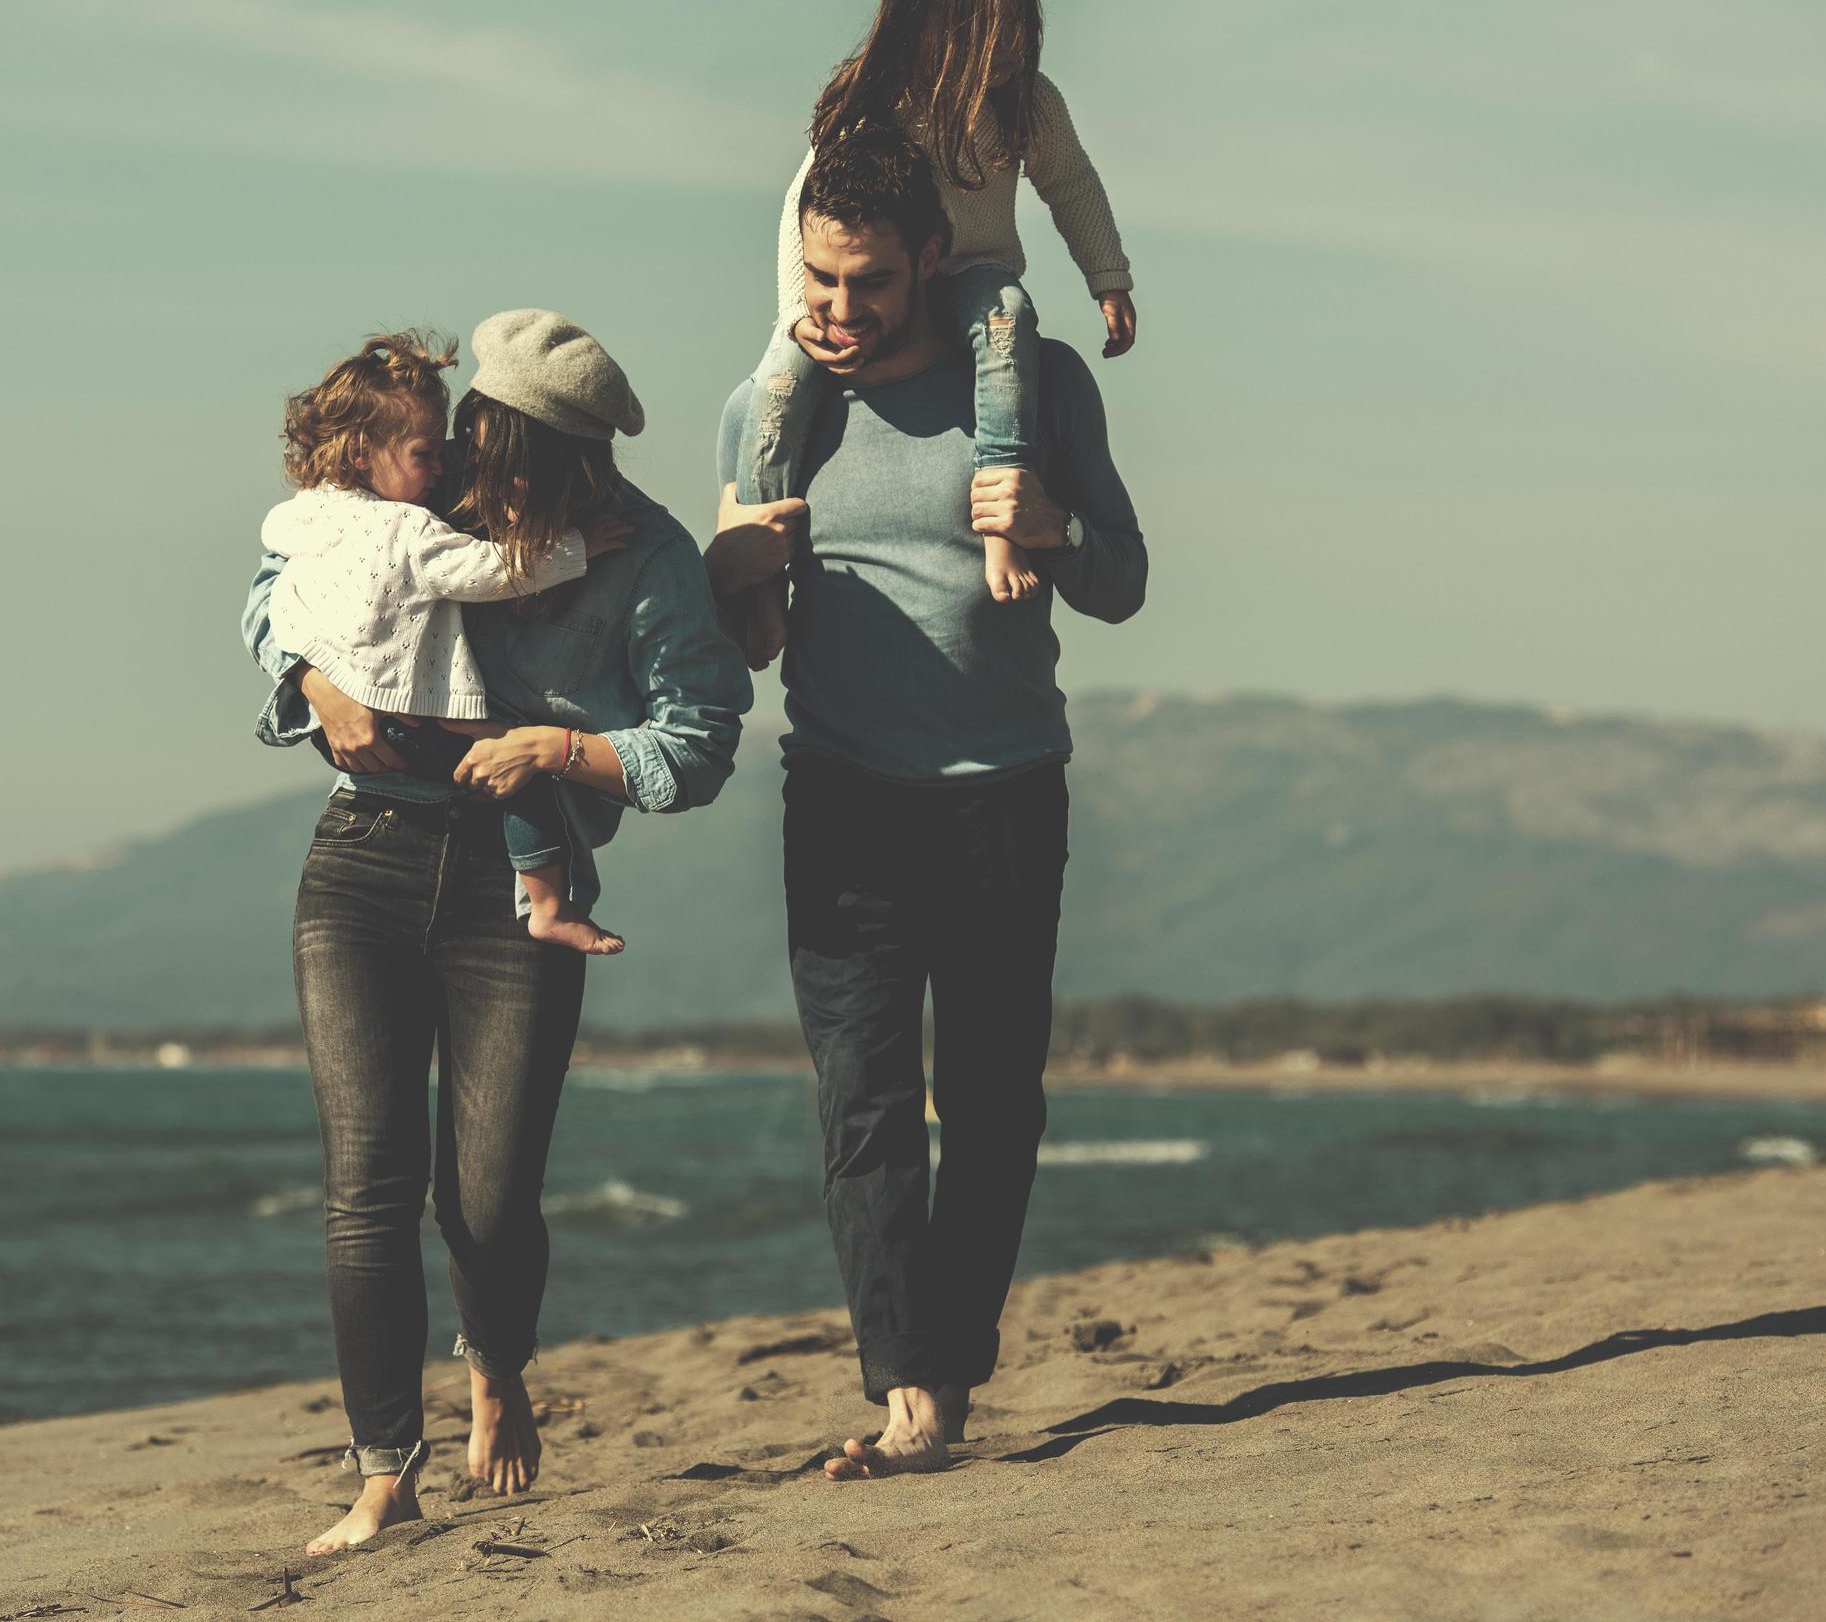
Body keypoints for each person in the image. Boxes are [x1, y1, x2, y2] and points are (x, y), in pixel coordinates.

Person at [242, 308, 751, 1553]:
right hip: (360, 858)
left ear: (574, 465)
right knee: (367, 1188)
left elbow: (700, 746)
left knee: (488, 1194)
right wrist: (313, 685)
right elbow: (272, 597)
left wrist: (561, 747)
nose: (476, 477)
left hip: (519, 881)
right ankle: (381, 1473)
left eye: (503, 459)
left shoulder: (644, 557)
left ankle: (499, 1365)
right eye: (470, 447)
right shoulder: (419, 492)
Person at [708, 119, 1150, 1481]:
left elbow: (1123, 579)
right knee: (862, 1102)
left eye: (868, 284)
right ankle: (915, 1392)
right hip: (842, 792)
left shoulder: (1034, 386)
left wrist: (1049, 524)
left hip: (1006, 790)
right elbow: (746, 647)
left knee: (995, 1099)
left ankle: (948, 1360)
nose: (839, 314)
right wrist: (736, 573)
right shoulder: (769, 414)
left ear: (925, 261)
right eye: (818, 284)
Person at [733, 0, 1140, 663]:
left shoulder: (1028, 104)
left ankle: (998, 513)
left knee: (1008, 320)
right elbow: (806, 205)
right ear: (934, 28)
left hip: (975, 270)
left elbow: (1071, 186)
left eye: (1019, 24)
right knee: (775, 391)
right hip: (887, 282)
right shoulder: (875, 105)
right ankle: (762, 581)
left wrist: (1107, 277)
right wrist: (799, 315)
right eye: (993, 30)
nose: (1012, 45)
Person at [261, 328, 634, 954]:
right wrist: (576, 549)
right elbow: (490, 571)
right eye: (423, 455)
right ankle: (546, 906)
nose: (442, 469)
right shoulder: (408, 527)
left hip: (341, 726)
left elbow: (269, 591)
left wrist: (309, 679)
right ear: (361, 454)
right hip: (405, 724)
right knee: (523, 769)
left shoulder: (303, 513)